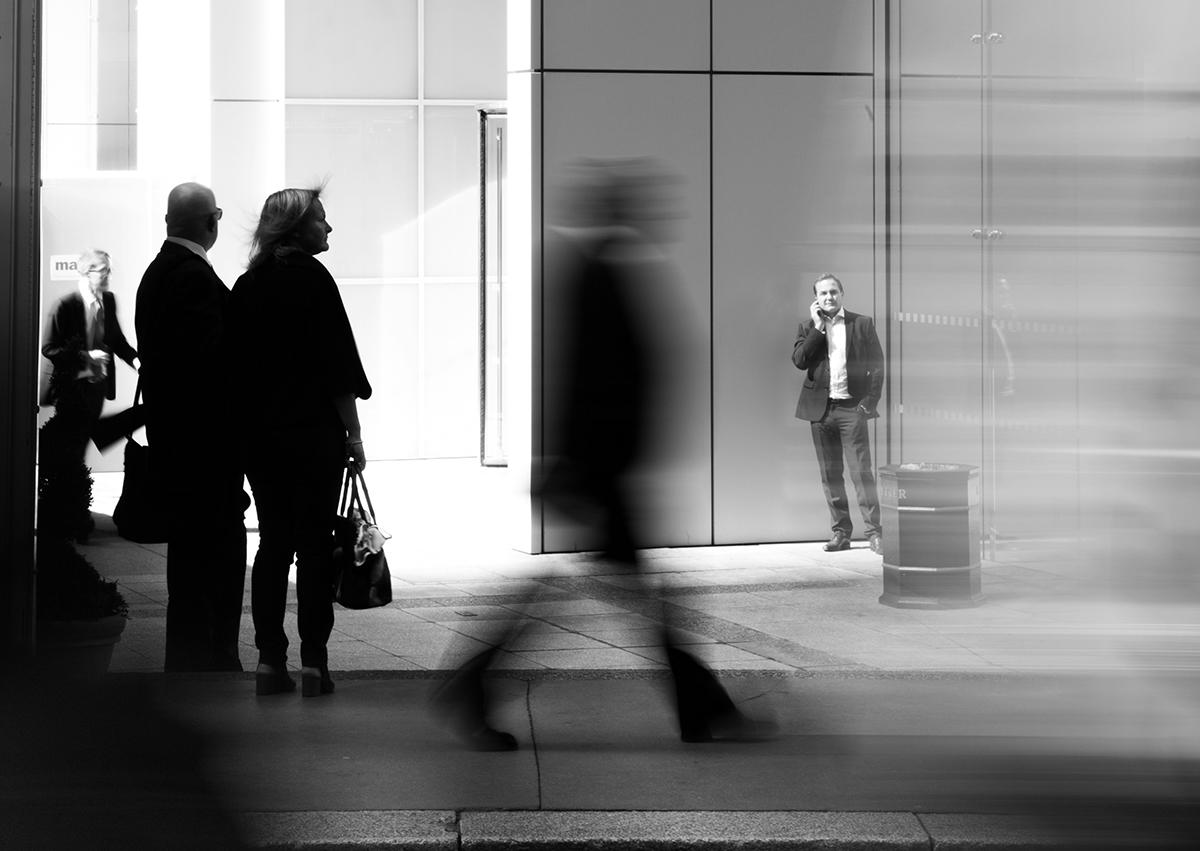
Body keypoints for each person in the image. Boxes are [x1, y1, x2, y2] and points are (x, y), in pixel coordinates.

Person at [433, 160, 773, 749]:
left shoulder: (602, 267)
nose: (661, 219)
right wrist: (586, 464)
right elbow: (593, 378)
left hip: (599, 468)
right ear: (618, 210)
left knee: (627, 594)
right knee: (640, 597)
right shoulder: (599, 271)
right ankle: (700, 710)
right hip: (600, 469)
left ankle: (472, 683)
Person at [229, 187, 371, 698]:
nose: (328, 229)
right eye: (321, 221)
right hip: (312, 436)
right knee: (314, 549)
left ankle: (270, 661)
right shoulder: (314, 280)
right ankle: (315, 665)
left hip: (261, 439)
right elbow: (336, 366)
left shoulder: (247, 285)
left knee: (272, 545)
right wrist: (352, 432)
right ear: (296, 228)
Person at [135, 183, 248, 672]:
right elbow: (211, 368)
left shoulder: (156, 273)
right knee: (214, 561)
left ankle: (189, 659)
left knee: (188, 564)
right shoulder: (194, 278)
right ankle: (209, 661)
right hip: (205, 455)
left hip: (175, 447)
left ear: (167, 222)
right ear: (212, 221)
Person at [41, 249, 139, 539]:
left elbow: (117, 340)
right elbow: (49, 348)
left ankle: (73, 514)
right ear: (86, 273)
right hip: (72, 389)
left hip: (96, 388)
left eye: (109, 270)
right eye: (103, 270)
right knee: (74, 447)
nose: (108, 275)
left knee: (80, 445)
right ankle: (75, 516)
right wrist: (87, 355)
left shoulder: (108, 300)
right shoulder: (65, 305)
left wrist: (135, 361)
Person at [792, 273, 885, 554]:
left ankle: (875, 534)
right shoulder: (808, 327)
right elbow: (799, 361)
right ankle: (841, 534)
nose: (829, 297)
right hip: (820, 413)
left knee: (861, 473)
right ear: (816, 299)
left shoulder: (862, 323)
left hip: (851, 410)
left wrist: (868, 403)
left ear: (842, 293)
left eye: (833, 292)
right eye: (823, 294)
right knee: (830, 475)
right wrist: (818, 329)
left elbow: (878, 365)